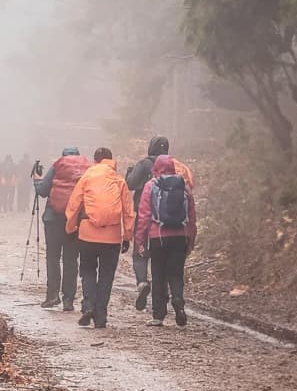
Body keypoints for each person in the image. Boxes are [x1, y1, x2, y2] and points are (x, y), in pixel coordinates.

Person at [65, 147, 133, 329]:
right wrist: (127, 236)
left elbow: (74, 204)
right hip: (111, 237)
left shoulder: (87, 177)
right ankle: (101, 316)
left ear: (95, 161)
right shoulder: (119, 180)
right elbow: (128, 211)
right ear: (111, 161)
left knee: (87, 271)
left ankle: (88, 306)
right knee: (106, 276)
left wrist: (71, 228)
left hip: (87, 233)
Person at [135, 154, 198, 328]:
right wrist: (191, 238)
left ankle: (158, 315)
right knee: (176, 274)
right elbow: (192, 216)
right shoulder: (184, 186)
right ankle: (178, 300)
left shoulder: (151, 185)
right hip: (180, 236)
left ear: (156, 167)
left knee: (158, 275)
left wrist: (140, 240)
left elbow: (144, 216)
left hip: (158, 237)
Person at [33, 147, 91, 311]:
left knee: (53, 258)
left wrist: (36, 179)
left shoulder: (57, 166)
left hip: (53, 219)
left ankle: (52, 296)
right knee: (71, 260)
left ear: (63, 157)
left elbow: (43, 191)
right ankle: (68, 300)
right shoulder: (85, 170)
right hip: (74, 221)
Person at [125, 136, 170, 311]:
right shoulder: (173, 165)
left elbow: (130, 184)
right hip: (167, 221)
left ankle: (142, 282)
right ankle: (163, 293)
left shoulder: (144, 164)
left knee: (140, 254)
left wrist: (129, 173)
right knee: (162, 258)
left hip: (145, 216)